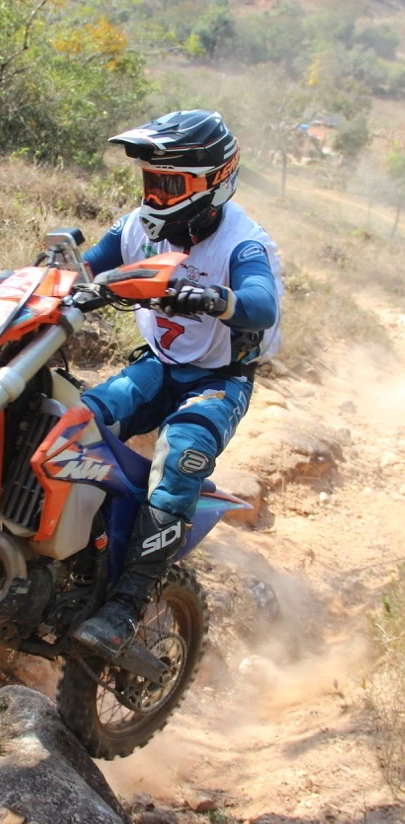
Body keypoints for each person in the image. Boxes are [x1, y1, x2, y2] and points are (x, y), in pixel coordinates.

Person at [73, 109, 283, 659]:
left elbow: (261, 303)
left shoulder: (243, 244)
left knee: (180, 453)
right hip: (159, 365)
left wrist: (217, 298)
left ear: (214, 183)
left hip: (219, 380)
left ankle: (127, 606)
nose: (156, 197)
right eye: (151, 182)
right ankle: (73, 549)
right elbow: (84, 267)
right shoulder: (135, 228)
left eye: (170, 186)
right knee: (78, 417)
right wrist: (59, 281)